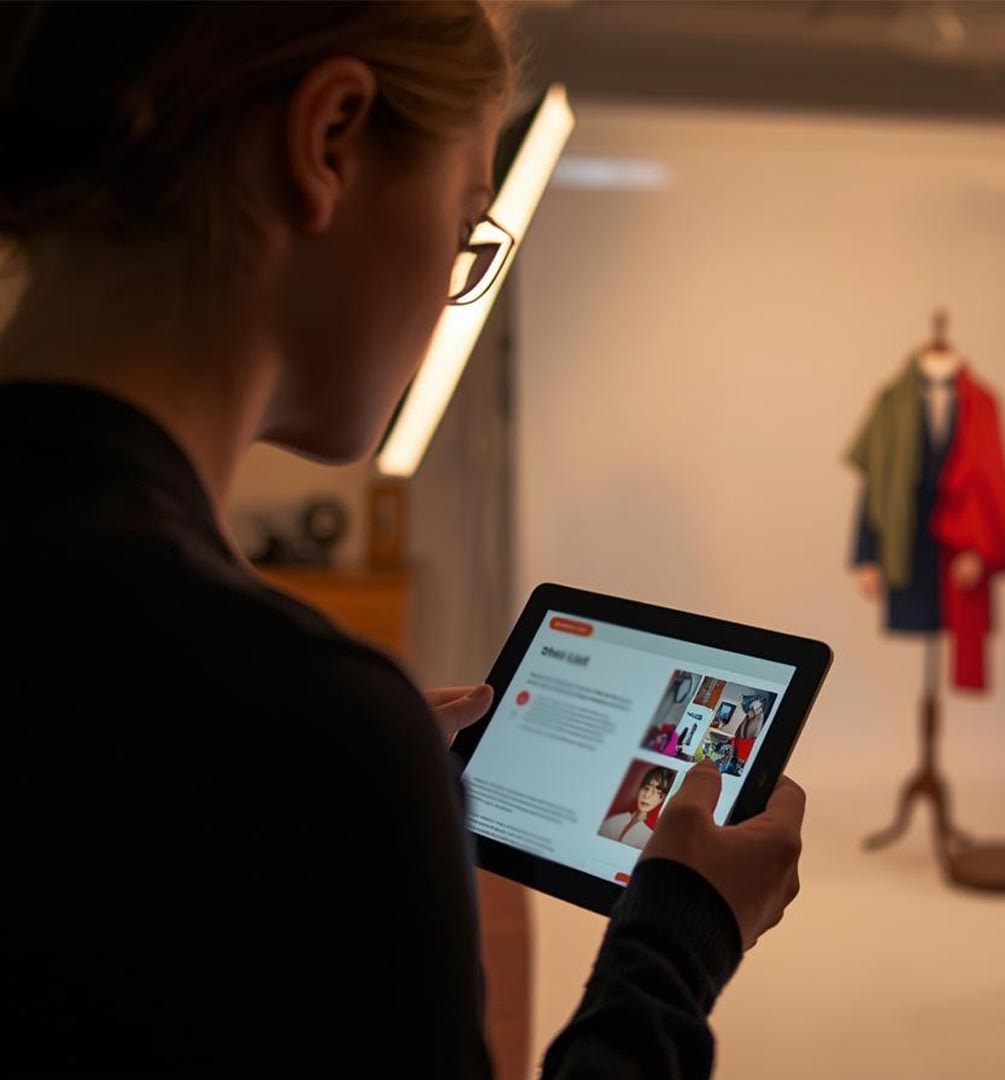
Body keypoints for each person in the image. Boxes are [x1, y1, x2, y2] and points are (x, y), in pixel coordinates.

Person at [0, 3, 805, 1077]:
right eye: (466, 222)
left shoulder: (266, 717)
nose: (448, 291)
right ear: (329, 139)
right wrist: (677, 938)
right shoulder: (298, 723)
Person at [598, 766, 676, 850]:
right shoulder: (615, 820)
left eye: (658, 792)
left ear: (663, 799)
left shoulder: (651, 838)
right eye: (646, 788)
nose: (647, 796)